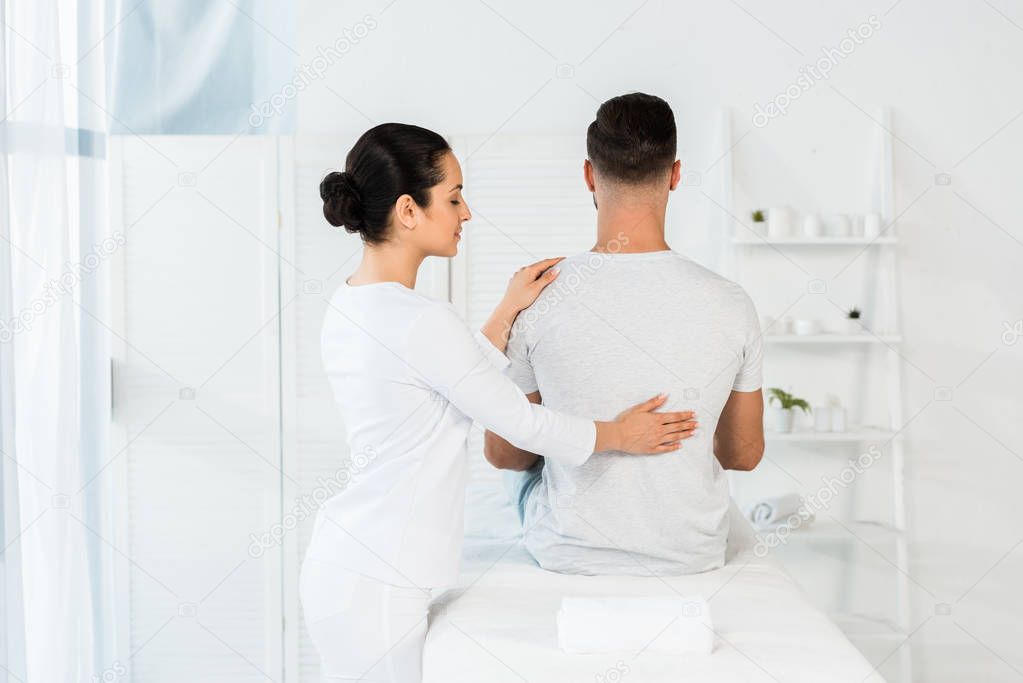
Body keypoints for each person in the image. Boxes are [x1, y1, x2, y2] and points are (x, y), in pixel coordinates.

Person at [300, 122, 699, 683]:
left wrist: (507, 310)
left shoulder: (355, 303)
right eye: (455, 197)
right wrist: (618, 435)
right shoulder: (418, 321)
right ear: (409, 210)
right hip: (378, 580)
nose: (466, 214)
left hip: (355, 565)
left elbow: (450, 381)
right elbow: (520, 422)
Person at [485, 93, 765, 577]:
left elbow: (506, 454)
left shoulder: (535, 297)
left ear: (590, 175)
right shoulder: (731, 302)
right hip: (689, 554)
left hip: (567, 553)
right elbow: (742, 455)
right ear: (675, 175)